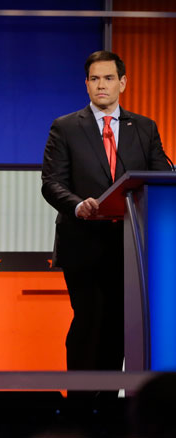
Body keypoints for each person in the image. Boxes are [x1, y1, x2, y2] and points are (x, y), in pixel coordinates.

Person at [41, 51, 170, 372]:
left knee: (121, 324)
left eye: (109, 78)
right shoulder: (66, 127)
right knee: (90, 319)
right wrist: (76, 204)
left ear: (122, 83)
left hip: (132, 247)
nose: (102, 85)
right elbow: (51, 183)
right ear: (86, 84)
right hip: (83, 243)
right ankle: (81, 406)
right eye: (95, 79)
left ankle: (109, 407)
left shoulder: (144, 128)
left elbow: (161, 178)